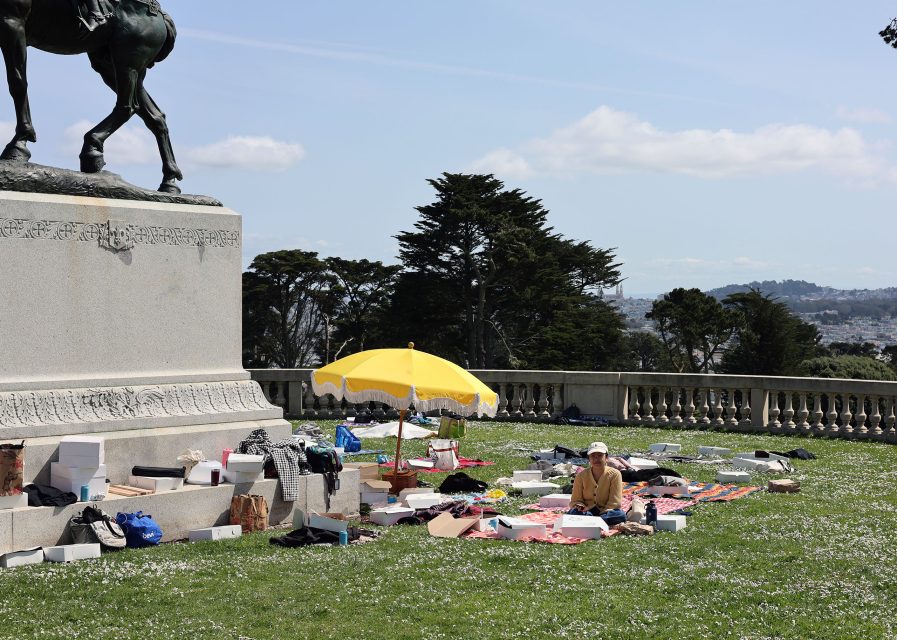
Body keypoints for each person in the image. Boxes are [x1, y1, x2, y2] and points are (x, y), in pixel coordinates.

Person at [568, 441, 626, 526]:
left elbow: (614, 501)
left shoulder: (615, 474)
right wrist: (580, 506)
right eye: (593, 456)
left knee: (620, 515)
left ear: (606, 457)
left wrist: (604, 512)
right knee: (574, 512)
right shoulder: (580, 476)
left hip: (607, 512)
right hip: (587, 511)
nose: (596, 459)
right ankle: (596, 522)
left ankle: (590, 522)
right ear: (589, 459)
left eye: (600, 456)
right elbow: (576, 500)